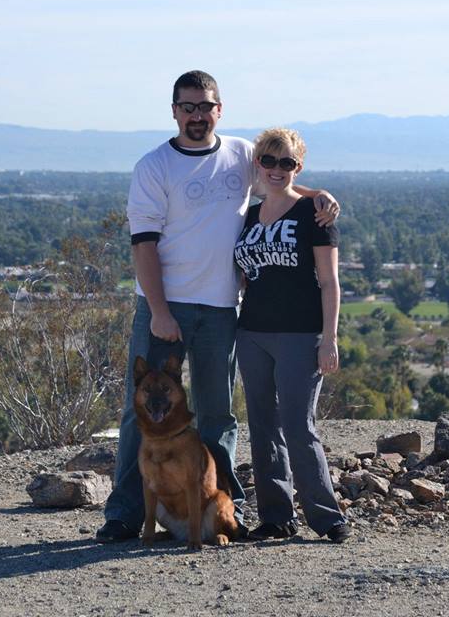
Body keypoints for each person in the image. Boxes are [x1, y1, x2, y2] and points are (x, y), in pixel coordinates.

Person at [96, 72, 339, 543]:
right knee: (140, 412)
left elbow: (279, 181)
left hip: (222, 309)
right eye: (187, 107)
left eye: (204, 106)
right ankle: (124, 514)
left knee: (217, 415)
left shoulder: (241, 155)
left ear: (219, 109)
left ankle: (227, 508)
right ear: (173, 111)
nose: (196, 115)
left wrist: (319, 196)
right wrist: (161, 312)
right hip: (164, 307)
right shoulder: (153, 166)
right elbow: (143, 246)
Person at [233, 128, 350, 543]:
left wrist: (329, 338)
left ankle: (327, 517)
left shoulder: (314, 214)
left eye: (287, 163)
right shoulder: (246, 215)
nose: (277, 169)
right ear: (257, 164)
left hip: (301, 334)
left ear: (298, 167)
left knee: (299, 425)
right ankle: (276, 517)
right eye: (268, 160)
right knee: (263, 426)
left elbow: (330, 282)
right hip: (252, 333)